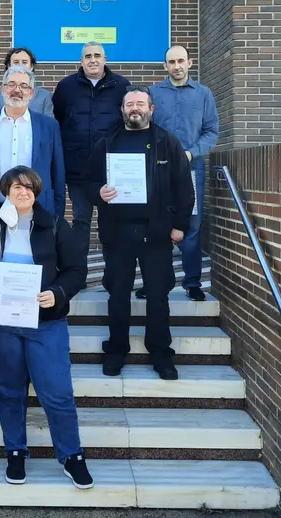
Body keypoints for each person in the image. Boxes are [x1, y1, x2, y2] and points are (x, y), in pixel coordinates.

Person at [0, 166, 93, 490]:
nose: (23, 192)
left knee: (57, 393)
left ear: (37, 192)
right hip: (2, 324)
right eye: (17, 187)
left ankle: (71, 456)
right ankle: (15, 451)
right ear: (6, 191)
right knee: (10, 392)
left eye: (29, 187)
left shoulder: (55, 225)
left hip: (46, 323)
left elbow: (76, 270)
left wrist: (57, 293)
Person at [0, 65, 65, 380]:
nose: (17, 89)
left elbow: (57, 173)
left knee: (35, 281)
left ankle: (33, 351)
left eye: (23, 85)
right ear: (2, 89)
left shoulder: (48, 126)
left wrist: (56, 218)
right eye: (11, 84)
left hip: (36, 217)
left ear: (32, 93)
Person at [85, 86, 193, 380]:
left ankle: (160, 352)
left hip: (156, 233)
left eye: (140, 104)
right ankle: (116, 349)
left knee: (158, 295)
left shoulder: (166, 142)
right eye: (129, 104)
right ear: (122, 110)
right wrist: (99, 192)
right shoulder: (107, 142)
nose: (135, 108)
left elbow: (184, 187)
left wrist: (180, 225)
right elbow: (89, 182)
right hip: (117, 233)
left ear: (151, 109)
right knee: (117, 294)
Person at [141, 45, 219, 302]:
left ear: (190, 63)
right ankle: (154, 281)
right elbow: (144, 128)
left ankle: (192, 282)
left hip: (191, 168)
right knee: (154, 224)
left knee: (192, 226)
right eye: (171, 62)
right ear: (165, 66)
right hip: (156, 169)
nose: (176, 66)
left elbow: (211, 132)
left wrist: (191, 153)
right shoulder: (153, 93)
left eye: (181, 61)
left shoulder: (203, 94)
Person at [52, 41, 130, 243]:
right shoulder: (66, 87)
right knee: (81, 219)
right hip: (78, 169)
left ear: (105, 59)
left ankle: (112, 272)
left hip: (111, 168)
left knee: (111, 221)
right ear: (81, 61)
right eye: (88, 56)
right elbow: (59, 119)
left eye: (97, 55)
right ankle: (78, 270)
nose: (93, 60)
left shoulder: (122, 86)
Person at [0, 47, 54, 117]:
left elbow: (49, 125)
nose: (20, 65)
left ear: (31, 66)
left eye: (24, 62)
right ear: (9, 66)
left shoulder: (44, 96)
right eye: (16, 62)